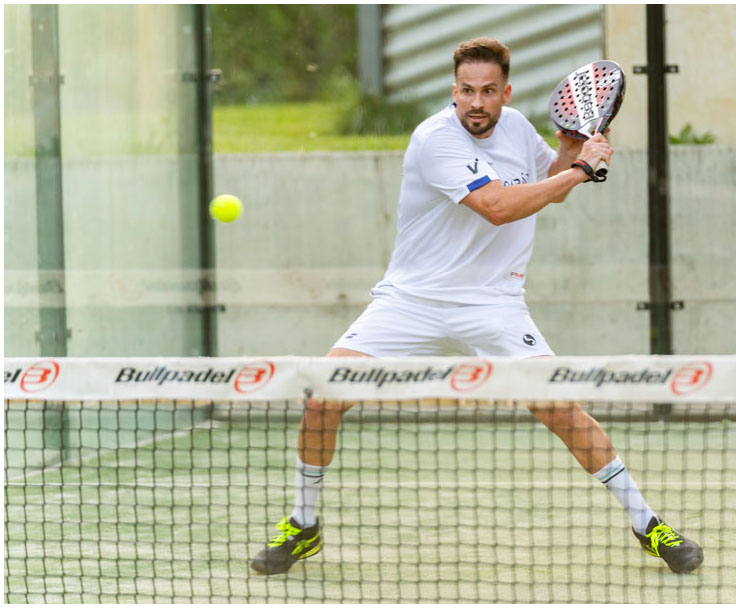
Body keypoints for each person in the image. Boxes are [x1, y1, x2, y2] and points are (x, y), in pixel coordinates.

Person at [250, 37, 703, 576]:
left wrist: (567, 151)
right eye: (466, 90)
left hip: (494, 303)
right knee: (323, 397)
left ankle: (648, 525)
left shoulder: (517, 128)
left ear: (505, 93)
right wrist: (581, 169)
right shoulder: (434, 138)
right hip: (412, 300)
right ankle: (303, 525)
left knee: (559, 406)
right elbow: (496, 206)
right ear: (454, 90)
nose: (476, 102)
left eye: (488, 91)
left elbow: (550, 186)